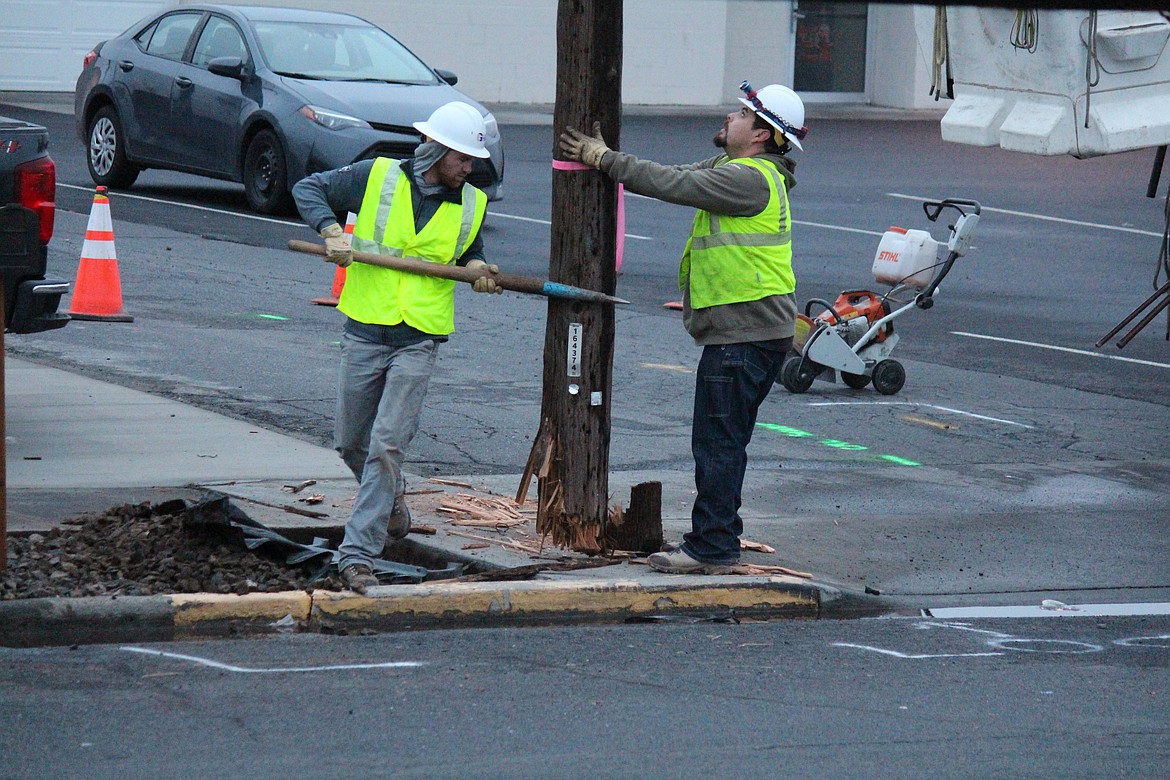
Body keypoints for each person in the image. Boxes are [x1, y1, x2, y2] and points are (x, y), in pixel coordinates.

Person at [560, 81, 808, 574]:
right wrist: (612, 160)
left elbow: (672, 186)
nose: (730, 119)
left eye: (741, 115)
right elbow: (672, 174)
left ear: (761, 135)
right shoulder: (736, 170)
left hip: (744, 335)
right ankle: (717, 537)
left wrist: (602, 157)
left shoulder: (750, 180)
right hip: (747, 333)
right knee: (722, 442)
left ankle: (712, 546)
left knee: (718, 444)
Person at [293, 101, 502, 593]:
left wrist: (478, 267)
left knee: (387, 445)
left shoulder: (471, 201)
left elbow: (467, 250)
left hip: (418, 339)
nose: (470, 168)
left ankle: (357, 555)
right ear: (435, 151)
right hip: (365, 328)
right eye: (463, 159)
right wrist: (329, 230)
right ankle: (391, 500)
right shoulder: (376, 176)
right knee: (351, 442)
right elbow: (309, 188)